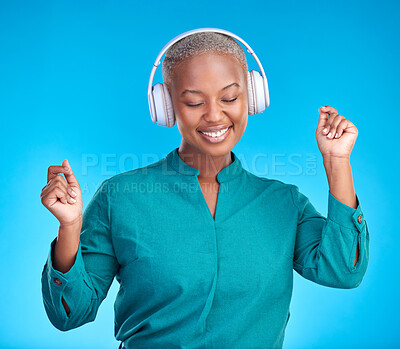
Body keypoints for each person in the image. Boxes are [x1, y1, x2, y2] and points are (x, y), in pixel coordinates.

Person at [40, 30, 370, 349]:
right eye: (194, 102)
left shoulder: (285, 203)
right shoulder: (120, 197)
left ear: (253, 98)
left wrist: (336, 161)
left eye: (230, 97)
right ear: (166, 105)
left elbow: (343, 270)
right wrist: (69, 226)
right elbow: (70, 313)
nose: (214, 115)